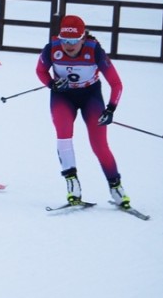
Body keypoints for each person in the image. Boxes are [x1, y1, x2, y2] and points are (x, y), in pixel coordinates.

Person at [35, 14, 131, 208]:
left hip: (91, 97)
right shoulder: (52, 49)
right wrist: (52, 84)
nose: (68, 45)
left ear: (83, 38)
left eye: (74, 41)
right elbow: (40, 71)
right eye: (65, 40)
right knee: (64, 135)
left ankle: (116, 187)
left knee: (99, 145)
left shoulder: (95, 51)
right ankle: (73, 186)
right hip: (63, 97)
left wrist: (111, 109)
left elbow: (116, 84)